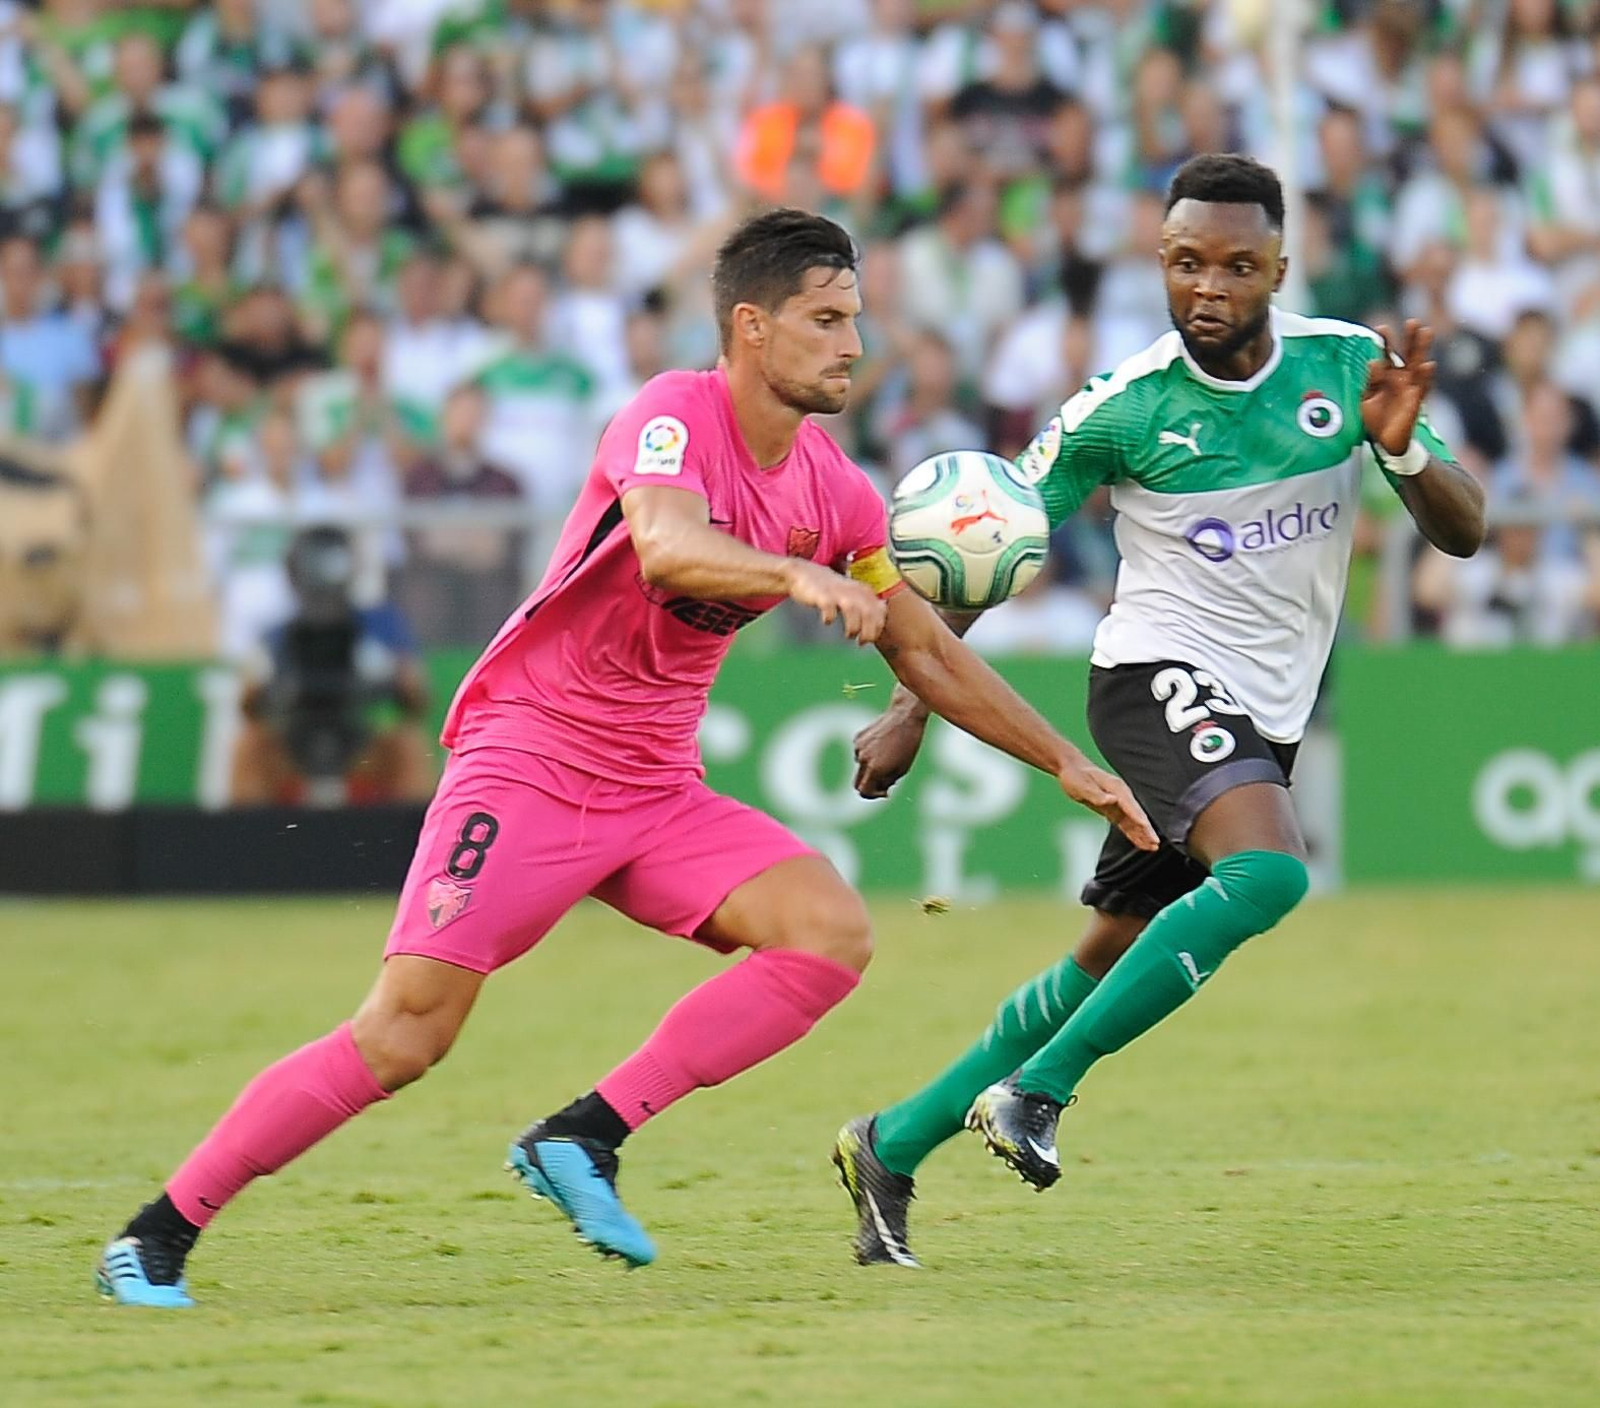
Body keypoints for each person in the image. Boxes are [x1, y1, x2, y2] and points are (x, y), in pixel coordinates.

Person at [96, 208, 1155, 1306]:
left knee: (828, 933)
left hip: (654, 790)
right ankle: (156, 1234)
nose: (852, 344)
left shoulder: (834, 488)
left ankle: (583, 1136)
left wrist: (1062, 764)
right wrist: (795, 579)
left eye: (856, 320)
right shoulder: (671, 415)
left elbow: (921, 647)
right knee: (406, 1033)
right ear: (752, 326)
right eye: (827, 320)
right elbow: (664, 540)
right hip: (530, 761)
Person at [833, 154, 1486, 1268]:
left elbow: (1462, 529)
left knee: (1109, 950)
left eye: (1238, 265)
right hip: (1153, 675)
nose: (1211, 287)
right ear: (1161, 264)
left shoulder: (1346, 367)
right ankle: (1034, 1095)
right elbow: (987, 548)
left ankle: (889, 1141)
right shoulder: (1119, 409)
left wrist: (1401, 447)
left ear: (1279, 265)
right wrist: (911, 705)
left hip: (1263, 709)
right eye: (1187, 263)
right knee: (1271, 871)